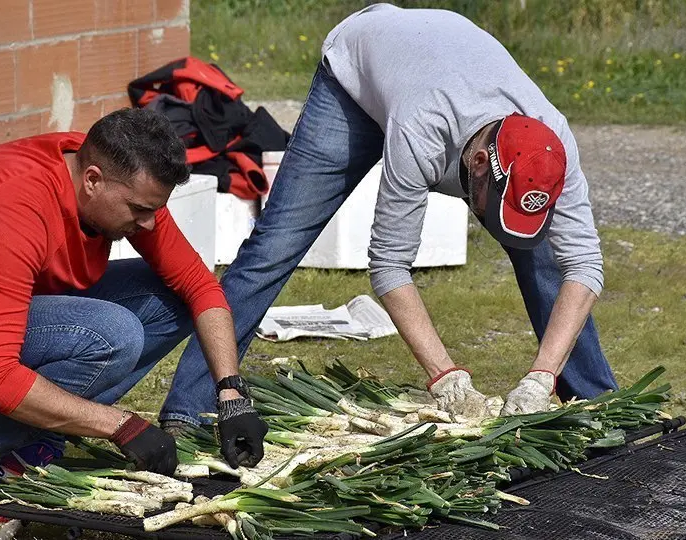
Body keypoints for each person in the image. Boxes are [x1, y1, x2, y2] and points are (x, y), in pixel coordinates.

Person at [161, 3, 618, 431]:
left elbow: (585, 265)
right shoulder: (423, 129)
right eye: (495, 210)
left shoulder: (551, 142)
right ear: (479, 165)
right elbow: (389, 265)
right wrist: (445, 377)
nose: (497, 227)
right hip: (356, 73)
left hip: (441, 59)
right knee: (276, 244)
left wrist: (542, 374)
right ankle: (190, 405)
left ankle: (597, 406)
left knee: (542, 256)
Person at [0, 108, 267, 526]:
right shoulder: (20, 208)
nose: (149, 222)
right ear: (92, 180)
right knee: (112, 335)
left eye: (154, 209)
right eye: (139, 209)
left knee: (172, 296)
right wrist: (122, 426)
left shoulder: (115, 170)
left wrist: (231, 394)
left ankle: (34, 433)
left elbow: (199, 286)